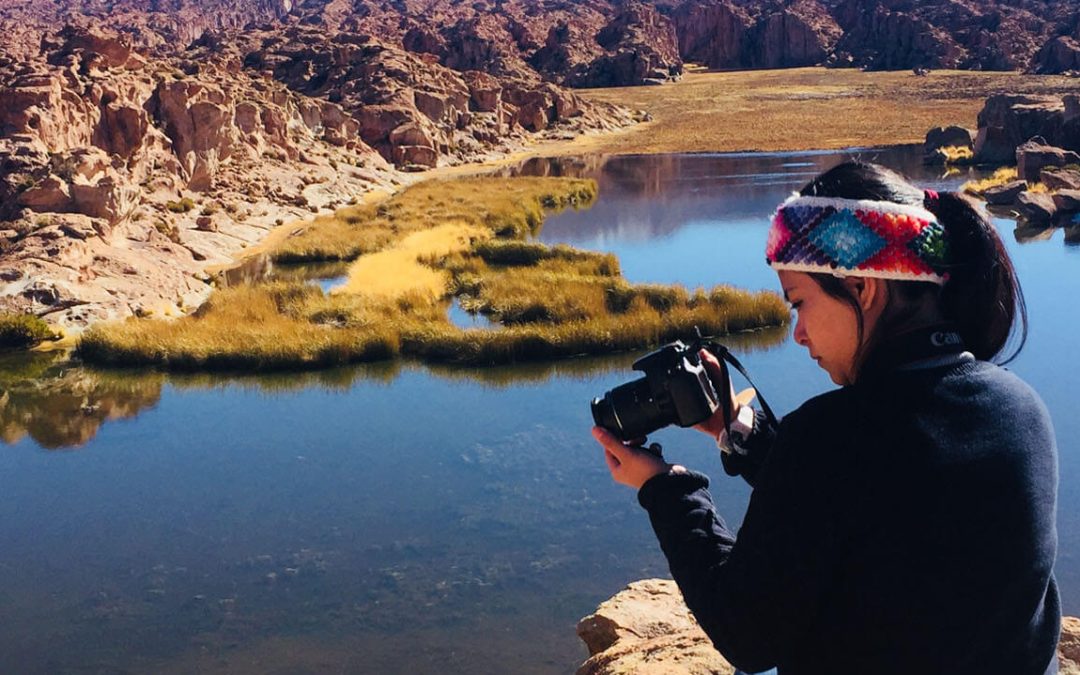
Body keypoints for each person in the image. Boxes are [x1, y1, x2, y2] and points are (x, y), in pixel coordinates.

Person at [592, 161, 1060, 675]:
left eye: (799, 303)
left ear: (862, 287)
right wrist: (739, 430)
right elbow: (877, 506)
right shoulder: (1020, 407)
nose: (798, 333)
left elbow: (746, 635)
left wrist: (664, 488)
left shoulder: (827, 436)